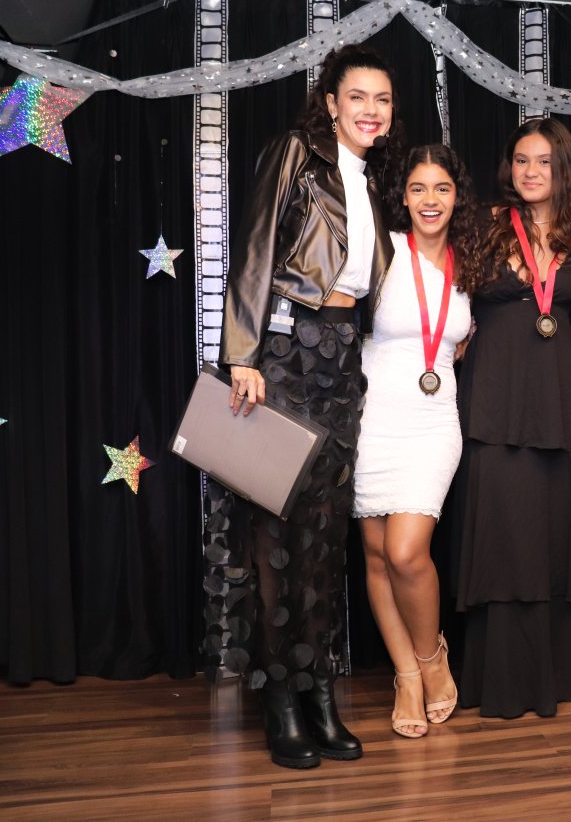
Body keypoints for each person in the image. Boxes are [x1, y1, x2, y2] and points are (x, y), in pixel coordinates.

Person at [218, 44, 400, 768]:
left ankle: (319, 690)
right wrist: (242, 354)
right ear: (330, 102)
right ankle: (280, 702)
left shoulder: (372, 180)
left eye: (382, 99)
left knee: (324, 542)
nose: (370, 110)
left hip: (342, 361)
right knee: (276, 535)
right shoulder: (295, 152)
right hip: (287, 356)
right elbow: (255, 247)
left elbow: (372, 285)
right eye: (358, 96)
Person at [452, 117, 571, 718]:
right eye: (521, 160)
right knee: (503, 530)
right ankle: (502, 676)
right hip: (496, 397)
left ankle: (562, 672)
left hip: (562, 400)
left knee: (559, 532)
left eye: (544, 161)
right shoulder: (483, 224)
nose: (531, 171)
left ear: (564, 168)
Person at [354, 145, 481, 738]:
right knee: (377, 555)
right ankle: (405, 675)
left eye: (442, 188)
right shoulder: (381, 249)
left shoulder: (472, 261)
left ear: (457, 196)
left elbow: (467, 336)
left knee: (406, 552)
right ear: (402, 197)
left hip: (432, 422)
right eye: (418, 188)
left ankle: (432, 659)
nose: (430, 200)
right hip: (371, 416)